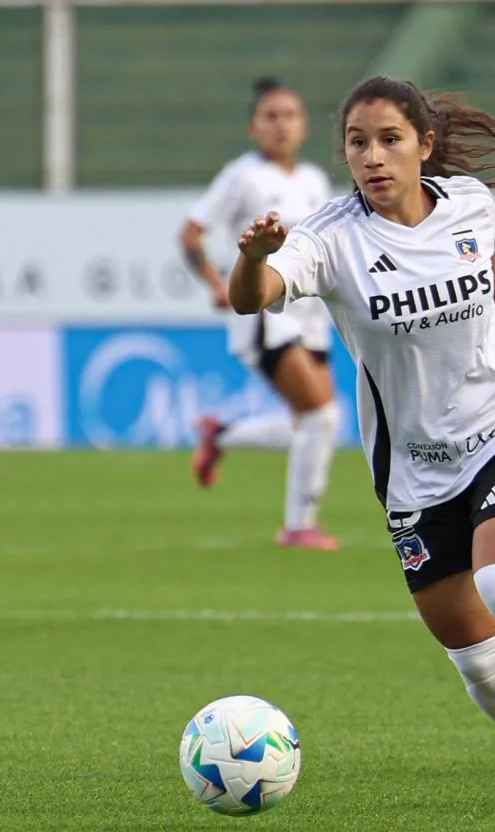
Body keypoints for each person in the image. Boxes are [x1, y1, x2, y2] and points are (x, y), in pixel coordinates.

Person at [227, 77, 495, 811]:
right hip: (415, 471)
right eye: (358, 143)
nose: (373, 156)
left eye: (389, 139)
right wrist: (255, 258)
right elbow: (249, 298)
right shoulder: (328, 238)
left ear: (425, 144)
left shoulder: (469, 204)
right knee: (475, 657)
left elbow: (491, 268)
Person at [179, 77, 341, 551]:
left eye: (290, 115)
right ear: (253, 127)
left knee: (314, 422)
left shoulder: (313, 180)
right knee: (320, 417)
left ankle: (221, 434)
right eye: (271, 117)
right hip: (265, 315)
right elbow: (191, 233)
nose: (282, 125)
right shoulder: (242, 176)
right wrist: (216, 284)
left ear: (304, 125)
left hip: (309, 315)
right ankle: (298, 526)